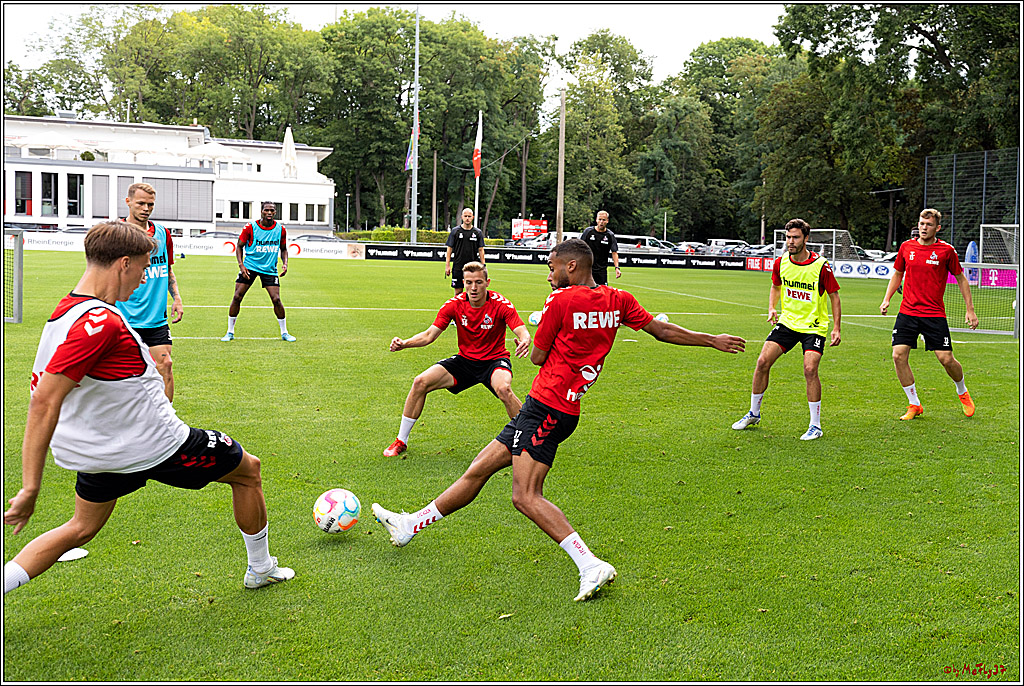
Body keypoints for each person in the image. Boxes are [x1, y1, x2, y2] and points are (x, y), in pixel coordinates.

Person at [372, 239, 745, 601]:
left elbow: (535, 357)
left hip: (547, 408)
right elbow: (660, 330)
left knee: (525, 496)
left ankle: (591, 564)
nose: (548, 275)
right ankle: (410, 525)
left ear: (571, 266)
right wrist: (711, 339)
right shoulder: (620, 300)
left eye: (551, 268)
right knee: (479, 468)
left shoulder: (560, 300)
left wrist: (546, 329)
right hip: (559, 407)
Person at [4, 220, 293, 595]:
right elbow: (45, 398)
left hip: (101, 453)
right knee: (248, 470)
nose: (144, 279)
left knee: (80, 528)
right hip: (156, 446)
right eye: (142, 268)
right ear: (123, 263)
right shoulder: (98, 323)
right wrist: (30, 487)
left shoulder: (65, 310)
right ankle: (260, 568)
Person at [383, 261, 530, 457]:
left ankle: (527, 440)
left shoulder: (501, 304)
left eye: (478, 282)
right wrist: (404, 343)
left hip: (494, 361)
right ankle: (401, 441)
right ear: (463, 282)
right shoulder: (454, 305)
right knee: (420, 382)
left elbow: (521, 329)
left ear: (488, 282)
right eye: (469, 282)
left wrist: (525, 339)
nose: (474, 287)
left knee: (504, 389)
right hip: (465, 362)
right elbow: (429, 335)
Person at [732, 218, 841, 440]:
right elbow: (775, 286)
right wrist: (772, 307)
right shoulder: (781, 262)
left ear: (806, 239)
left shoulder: (821, 266)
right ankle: (753, 413)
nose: (790, 242)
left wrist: (836, 328)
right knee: (762, 362)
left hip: (814, 326)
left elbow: (834, 296)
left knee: (810, 369)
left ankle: (815, 425)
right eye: (788, 237)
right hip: (788, 322)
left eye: (795, 237)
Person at [879, 208, 978, 420]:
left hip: (934, 314)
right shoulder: (906, 247)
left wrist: (970, 310)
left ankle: (962, 391)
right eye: (922, 224)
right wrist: (887, 298)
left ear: (937, 228)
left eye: (929, 225)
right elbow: (898, 273)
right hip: (908, 312)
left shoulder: (946, 251)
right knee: (898, 355)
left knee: (946, 359)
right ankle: (914, 404)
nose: (924, 228)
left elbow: (961, 279)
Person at [114, 183, 183, 401]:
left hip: (155, 319)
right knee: (122, 376)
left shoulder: (162, 234)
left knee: (165, 366)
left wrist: (177, 298)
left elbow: (167, 269)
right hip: (123, 317)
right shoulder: (117, 233)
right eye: (141, 203)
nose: (146, 208)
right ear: (128, 202)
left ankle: (166, 423)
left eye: (150, 204)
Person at [221, 201, 295, 342]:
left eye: (272, 210)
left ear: (275, 212)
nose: (269, 212)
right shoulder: (251, 227)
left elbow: (283, 248)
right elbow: (239, 246)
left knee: (276, 299)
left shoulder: (280, 229)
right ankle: (230, 332)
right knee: (237, 297)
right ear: (261, 211)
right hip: (250, 267)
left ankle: (284, 332)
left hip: (269, 269)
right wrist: (241, 266)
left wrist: (285, 263)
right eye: (266, 210)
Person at [445, 208, 486, 294]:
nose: (467, 218)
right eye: (465, 216)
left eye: (469, 216)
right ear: (462, 217)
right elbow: (449, 249)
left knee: (472, 292)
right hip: (458, 266)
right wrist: (447, 265)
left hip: (473, 267)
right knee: (458, 293)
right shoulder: (455, 231)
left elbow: (481, 250)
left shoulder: (477, 232)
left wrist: (483, 265)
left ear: (473, 217)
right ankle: (458, 308)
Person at [579, 210, 620, 285]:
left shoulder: (610, 235)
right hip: (588, 269)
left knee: (602, 293)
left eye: (604, 220)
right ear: (596, 220)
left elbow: (614, 252)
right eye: (599, 219)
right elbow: (579, 248)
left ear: (607, 221)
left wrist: (617, 268)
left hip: (602, 271)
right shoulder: (588, 232)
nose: (601, 222)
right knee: (587, 292)